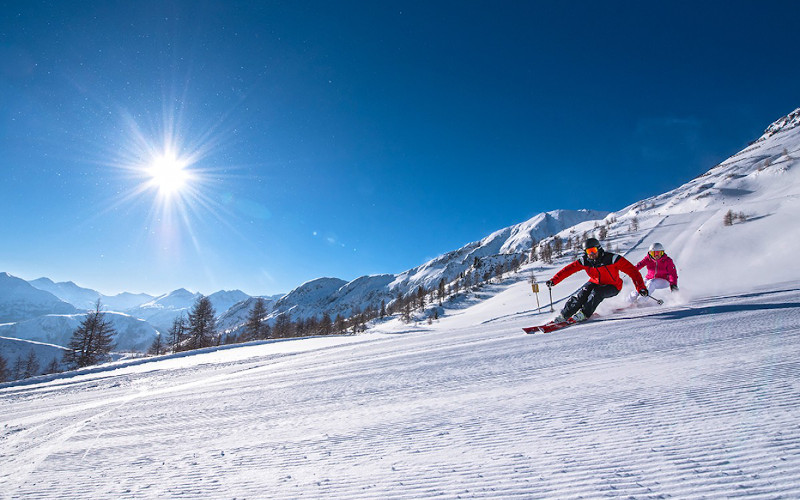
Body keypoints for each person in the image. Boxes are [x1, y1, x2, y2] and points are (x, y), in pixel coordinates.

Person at [546, 237, 647, 323]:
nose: (591, 254)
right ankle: (564, 315)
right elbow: (568, 270)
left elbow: (633, 272)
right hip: (594, 282)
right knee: (582, 295)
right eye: (588, 251)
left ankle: (584, 314)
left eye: (593, 250)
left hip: (613, 286)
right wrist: (554, 280)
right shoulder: (584, 261)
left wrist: (641, 288)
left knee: (597, 293)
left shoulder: (612, 259)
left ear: (599, 249)